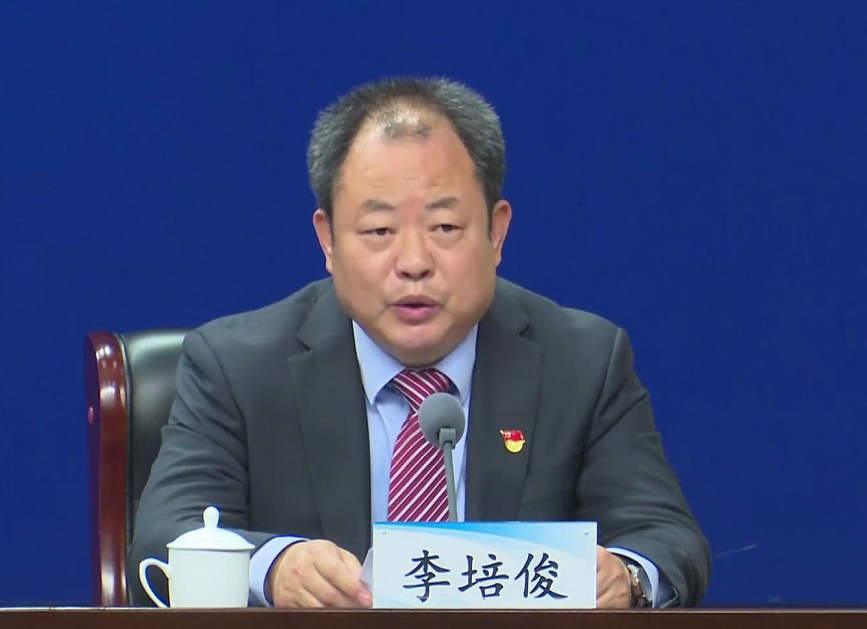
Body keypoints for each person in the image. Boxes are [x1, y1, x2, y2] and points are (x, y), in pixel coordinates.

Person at [129, 76, 711, 609]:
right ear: (328, 240)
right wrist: (276, 567)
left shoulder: (582, 362)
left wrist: (627, 577)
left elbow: (666, 537)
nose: (413, 262)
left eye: (445, 227)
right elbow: (163, 537)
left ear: (497, 232)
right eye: (379, 230)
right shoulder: (237, 368)